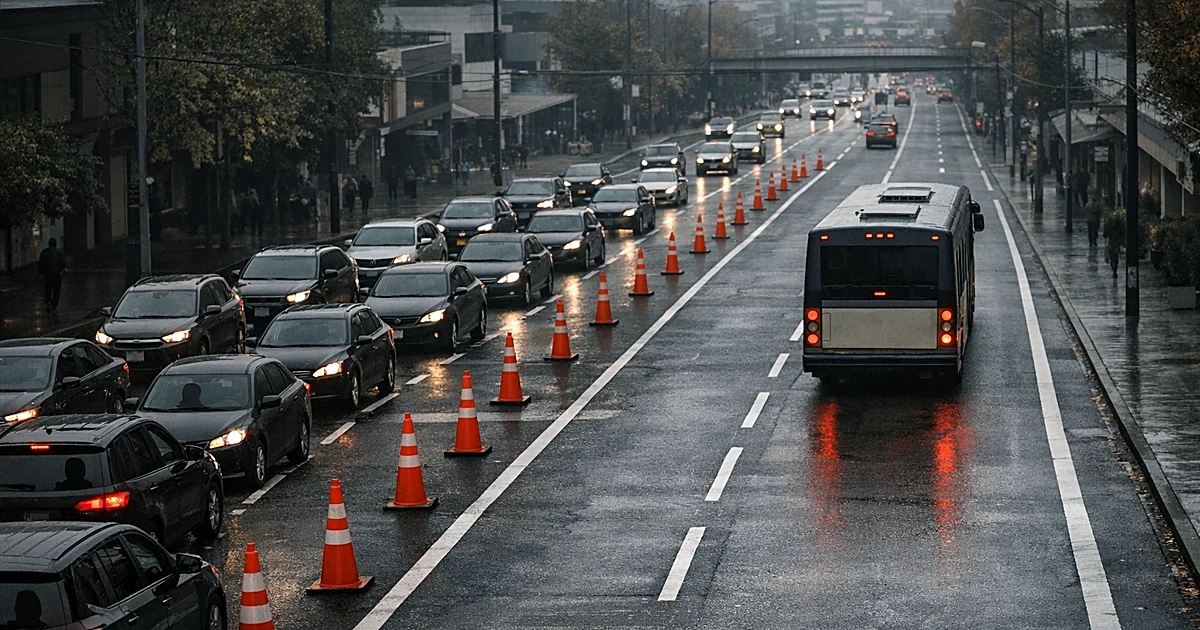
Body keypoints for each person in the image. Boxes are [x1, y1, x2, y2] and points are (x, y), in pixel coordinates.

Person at [37, 238, 66, 314]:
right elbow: (63, 263)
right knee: (56, 291)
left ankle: (48, 302)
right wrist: (61, 270)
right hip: (56, 275)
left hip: (47, 275)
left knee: (48, 290)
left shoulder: (44, 252)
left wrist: (41, 273)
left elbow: (41, 263)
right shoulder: (59, 253)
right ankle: (54, 306)